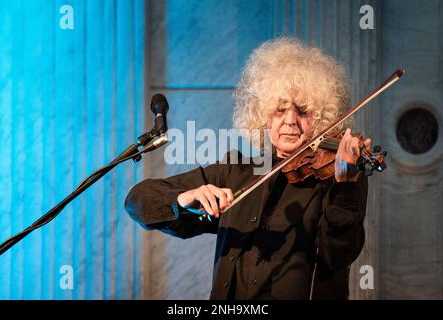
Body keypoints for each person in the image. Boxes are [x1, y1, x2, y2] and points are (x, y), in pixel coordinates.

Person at [124, 37, 371, 300]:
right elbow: (138, 201)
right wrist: (182, 199)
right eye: (280, 109)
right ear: (263, 114)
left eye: (303, 111)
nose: (290, 121)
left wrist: (345, 185)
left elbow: (338, 254)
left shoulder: (336, 176)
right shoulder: (235, 172)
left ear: (322, 117)